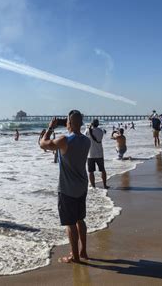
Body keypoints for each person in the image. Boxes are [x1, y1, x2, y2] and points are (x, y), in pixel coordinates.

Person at [39, 110, 91, 264]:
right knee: (80, 219)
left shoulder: (64, 141)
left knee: (70, 223)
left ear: (69, 123)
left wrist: (50, 128)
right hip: (82, 185)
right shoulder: (86, 141)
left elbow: (43, 144)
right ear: (80, 123)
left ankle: (75, 257)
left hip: (67, 188)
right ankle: (83, 251)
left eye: (67, 122)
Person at [85, 119, 108, 189]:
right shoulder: (100, 131)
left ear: (92, 124)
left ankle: (93, 186)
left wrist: (88, 127)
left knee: (91, 171)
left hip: (90, 154)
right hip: (99, 153)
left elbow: (84, 136)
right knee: (102, 170)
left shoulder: (88, 131)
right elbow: (102, 134)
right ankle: (105, 185)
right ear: (98, 124)